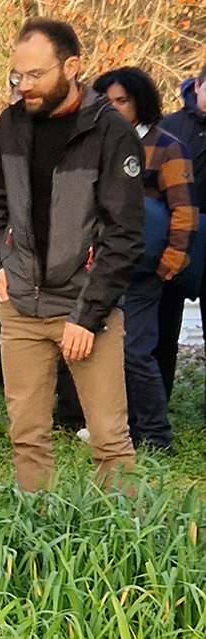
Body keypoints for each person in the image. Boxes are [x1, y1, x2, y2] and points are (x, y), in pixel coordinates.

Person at [0, 18, 144, 492]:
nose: (23, 86)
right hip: (22, 306)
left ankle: (123, 542)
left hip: (86, 310)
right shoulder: (11, 124)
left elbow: (124, 235)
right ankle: (38, 533)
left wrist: (87, 316)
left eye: (35, 75)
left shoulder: (110, 132)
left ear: (72, 67)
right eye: (17, 75)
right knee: (26, 437)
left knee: (109, 440)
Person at [81, 67, 195, 452]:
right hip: (99, 267)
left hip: (145, 269)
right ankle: (114, 430)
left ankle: (158, 437)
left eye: (122, 100)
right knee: (99, 351)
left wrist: (170, 262)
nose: (113, 107)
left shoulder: (166, 146)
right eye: (107, 101)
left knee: (136, 352)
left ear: (139, 101)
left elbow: (183, 210)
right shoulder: (93, 143)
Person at [158, 63, 206, 411]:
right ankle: (155, 402)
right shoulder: (169, 126)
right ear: (197, 86)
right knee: (162, 323)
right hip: (174, 235)